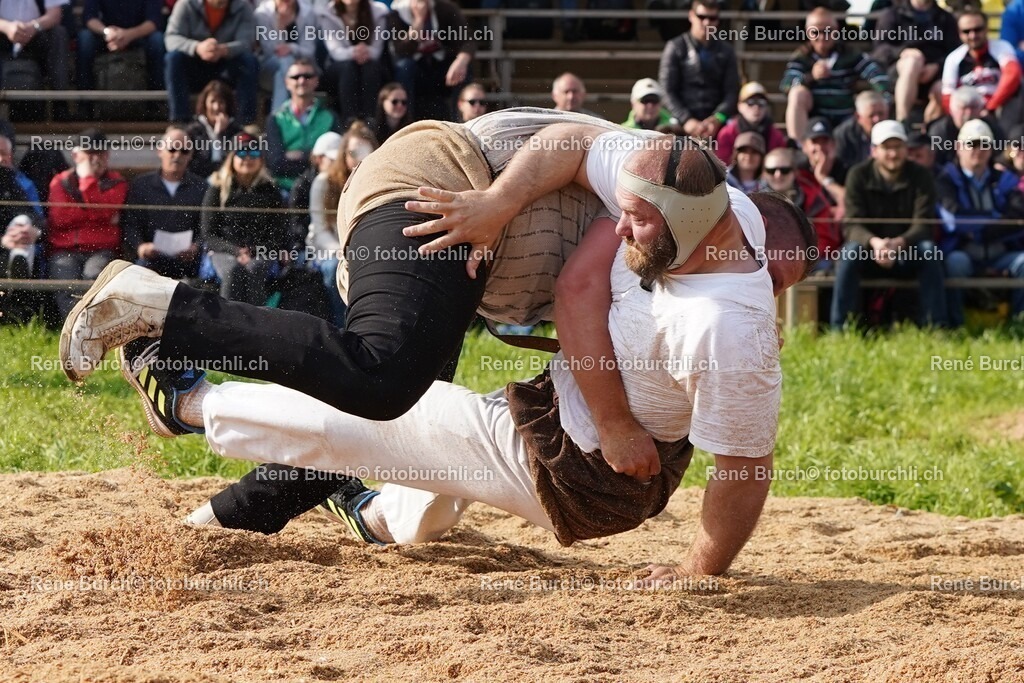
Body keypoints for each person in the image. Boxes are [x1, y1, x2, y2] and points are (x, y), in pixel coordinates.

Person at [60, 108, 810, 535]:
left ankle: (249, 517)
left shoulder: (702, 267)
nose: (765, 294)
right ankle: (164, 323)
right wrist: (496, 204)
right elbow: (572, 147)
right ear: (740, 222)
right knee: (386, 374)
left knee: (408, 403)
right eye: (770, 273)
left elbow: (604, 321)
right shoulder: (671, 177)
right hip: (446, 186)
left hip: (469, 257)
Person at [831, 120, 947, 329]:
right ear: (874, 150)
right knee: (848, 254)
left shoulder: (921, 176)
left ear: (905, 149)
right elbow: (852, 224)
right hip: (870, 251)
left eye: (898, 147)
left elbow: (924, 224)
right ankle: (840, 328)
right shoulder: (857, 174)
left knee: (929, 251)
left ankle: (936, 326)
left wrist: (899, 244)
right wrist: (875, 243)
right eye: (886, 148)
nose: (893, 154)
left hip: (907, 251)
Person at [937, 119, 1024, 326]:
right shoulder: (945, 179)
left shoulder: (1005, 179)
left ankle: (1020, 323)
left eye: (984, 144)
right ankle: (956, 325)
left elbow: (1020, 220)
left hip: (1001, 252)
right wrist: (997, 218)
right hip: (964, 252)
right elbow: (953, 221)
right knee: (955, 263)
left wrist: (977, 230)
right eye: (971, 144)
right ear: (958, 148)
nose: (978, 150)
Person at [47, 129, 128, 321]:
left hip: (101, 249)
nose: (95, 159)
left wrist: (88, 181)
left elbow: (106, 210)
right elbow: (59, 218)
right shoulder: (60, 181)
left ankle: (91, 328)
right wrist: (97, 215)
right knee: (66, 283)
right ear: (76, 155)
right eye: (90, 154)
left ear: (107, 156)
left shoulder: (117, 182)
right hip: (64, 249)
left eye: (100, 154)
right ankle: (75, 328)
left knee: (94, 279)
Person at [200, 132, 288, 305]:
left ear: (261, 159)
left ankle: (257, 324)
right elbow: (208, 235)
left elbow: (278, 234)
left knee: (254, 268)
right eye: (241, 153)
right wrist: (236, 251)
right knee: (233, 270)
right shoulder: (217, 190)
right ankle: (227, 323)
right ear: (232, 157)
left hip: (261, 251)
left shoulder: (271, 191)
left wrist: (254, 251)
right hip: (224, 250)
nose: (248, 158)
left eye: (254, 153)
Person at [780, 7, 891, 141]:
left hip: (846, 116)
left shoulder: (850, 54)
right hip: (814, 118)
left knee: (872, 103)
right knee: (797, 93)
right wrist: (811, 77)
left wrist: (883, 95)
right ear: (808, 33)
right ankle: (798, 146)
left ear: (836, 31)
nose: (822, 37)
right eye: (816, 32)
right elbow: (786, 85)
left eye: (828, 31)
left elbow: (875, 74)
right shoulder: (802, 57)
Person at [121, 126, 209, 280]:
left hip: (190, 261)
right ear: (160, 151)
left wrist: (196, 247)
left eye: (184, 151)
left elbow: (208, 227)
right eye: (172, 149)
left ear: (191, 156)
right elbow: (130, 223)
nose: (177, 155)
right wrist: (140, 246)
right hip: (151, 259)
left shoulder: (202, 187)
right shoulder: (141, 185)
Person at [164, 0, 259, 125]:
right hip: (195, 66)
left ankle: (246, 123)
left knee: (249, 61)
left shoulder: (243, 7)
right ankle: (179, 121)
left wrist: (224, 50)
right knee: (173, 58)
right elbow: (171, 38)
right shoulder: (186, 4)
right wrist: (197, 47)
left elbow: (247, 41)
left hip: (226, 66)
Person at [658, 0, 739, 139]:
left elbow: (732, 91)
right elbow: (667, 90)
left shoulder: (727, 51)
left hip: (718, 124)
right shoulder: (675, 47)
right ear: (691, 16)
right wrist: (686, 119)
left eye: (712, 18)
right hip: (680, 122)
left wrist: (717, 118)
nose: (707, 23)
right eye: (701, 17)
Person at [869, 0, 959, 124]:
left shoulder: (945, 18)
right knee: (913, 62)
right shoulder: (892, 15)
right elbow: (880, 50)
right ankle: (902, 121)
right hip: (901, 71)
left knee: (941, 89)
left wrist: (937, 66)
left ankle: (930, 131)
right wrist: (903, 52)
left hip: (935, 73)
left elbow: (955, 52)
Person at [388, 0, 474, 121]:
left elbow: (467, 41)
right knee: (405, 67)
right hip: (415, 70)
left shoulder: (446, 9)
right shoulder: (397, 13)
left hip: (442, 68)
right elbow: (401, 50)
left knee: (464, 69)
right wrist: (418, 21)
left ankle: (460, 122)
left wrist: (461, 61)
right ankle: (405, 123)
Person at [265, 58, 341, 193]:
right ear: (286, 82)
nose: (301, 81)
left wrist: (298, 155)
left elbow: (336, 160)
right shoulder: (275, 119)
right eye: (295, 77)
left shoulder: (330, 117)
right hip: (284, 189)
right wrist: (313, 156)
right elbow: (276, 165)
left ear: (316, 81)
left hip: (322, 187)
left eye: (307, 76)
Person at [941, 9, 1022, 136]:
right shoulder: (954, 58)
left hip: (999, 108)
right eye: (966, 31)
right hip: (967, 111)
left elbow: (1013, 75)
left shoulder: (1001, 47)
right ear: (959, 33)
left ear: (986, 29)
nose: (973, 35)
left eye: (977, 29)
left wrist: (991, 106)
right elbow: (947, 96)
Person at [761, 147, 837, 269]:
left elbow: (825, 238)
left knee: (827, 265)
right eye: (771, 170)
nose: (778, 175)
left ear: (795, 172)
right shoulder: (752, 202)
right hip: (766, 262)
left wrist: (803, 257)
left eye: (784, 170)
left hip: (807, 260)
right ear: (764, 173)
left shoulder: (813, 198)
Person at [320, 0, 390, 125]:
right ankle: (350, 121)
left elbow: (377, 50)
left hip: (370, 64)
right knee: (348, 67)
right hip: (339, 68)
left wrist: (365, 51)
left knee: (370, 67)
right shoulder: (328, 12)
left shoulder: (378, 11)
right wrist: (354, 52)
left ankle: (371, 121)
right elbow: (336, 51)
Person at [78, 0, 165, 92]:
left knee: (157, 40)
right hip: (106, 36)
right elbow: (89, 17)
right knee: (85, 38)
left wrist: (129, 35)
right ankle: (84, 99)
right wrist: (107, 32)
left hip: (138, 36)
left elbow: (153, 21)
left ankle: (157, 99)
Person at [255, 0, 318, 115]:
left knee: (282, 74)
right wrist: (280, 28)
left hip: (299, 69)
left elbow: (309, 51)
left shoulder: (307, 12)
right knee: (286, 62)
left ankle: (278, 118)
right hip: (268, 67)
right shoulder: (262, 13)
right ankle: (293, 113)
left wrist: (292, 48)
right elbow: (270, 50)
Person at [0, 0, 70, 94]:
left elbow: (54, 15)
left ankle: (60, 98)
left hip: (37, 34)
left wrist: (33, 27)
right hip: (3, 36)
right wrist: (7, 27)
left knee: (59, 33)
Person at [927, 85, 1004, 168]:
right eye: (964, 108)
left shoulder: (990, 127)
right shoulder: (940, 131)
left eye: (973, 107)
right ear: (952, 110)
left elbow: (1000, 155)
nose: (969, 113)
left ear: (981, 109)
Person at [714, 81, 788, 164]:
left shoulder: (776, 136)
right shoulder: (727, 133)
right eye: (750, 102)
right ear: (739, 106)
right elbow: (722, 166)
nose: (756, 107)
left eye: (761, 103)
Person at [186, 80, 244, 180]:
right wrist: (215, 137)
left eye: (221, 102)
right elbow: (195, 165)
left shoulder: (236, 132)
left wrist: (221, 134)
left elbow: (235, 163)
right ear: (205, 104)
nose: (216, 107)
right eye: (212, 101)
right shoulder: (193, 131)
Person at [798, 116, 847, 213]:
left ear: (834, 144)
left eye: (825, 141)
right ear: (805, 147)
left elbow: (850, 201)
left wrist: (822, 177)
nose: (820, 147)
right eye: (814, 142)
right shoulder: (798, 170)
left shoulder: (845, 169)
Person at [834, 90, 888, 169]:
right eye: (871, 115)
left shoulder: (895, 132)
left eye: (881, 113)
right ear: (858, 117)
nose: (877, 119)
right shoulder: (844, 135)